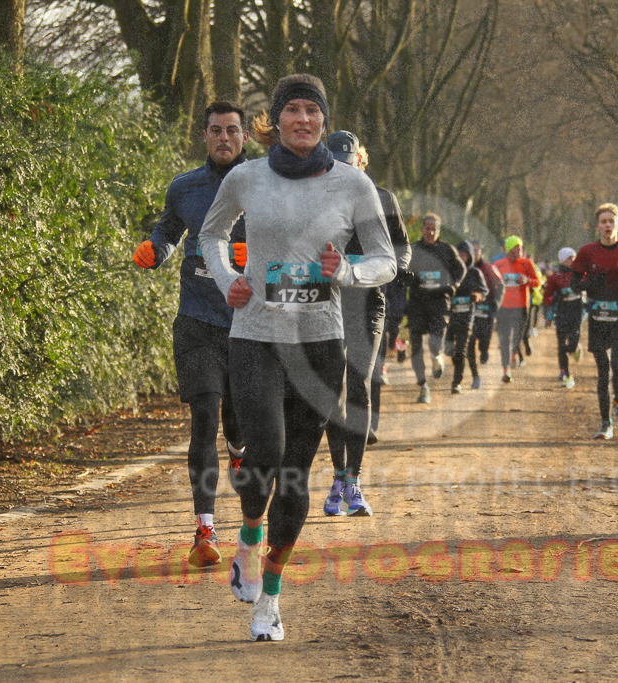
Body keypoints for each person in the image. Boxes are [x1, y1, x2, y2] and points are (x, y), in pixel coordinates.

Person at [199, 74, 395, 641]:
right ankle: (248, 538)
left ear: (324, 121)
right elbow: (211, 236)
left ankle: (271, 600)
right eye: (293, 111)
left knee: (296, 475)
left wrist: (349, 271)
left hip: (319, 341)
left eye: (313, 110)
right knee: (266, 450)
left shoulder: (353, 184)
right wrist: (229, 278)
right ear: (276, 120)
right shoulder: (246, 177)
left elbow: (385, 258)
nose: (303, 120)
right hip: (256, 333)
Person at [132, 101, 249, 569]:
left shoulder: (264, 185)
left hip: (249, 325)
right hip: (197, 321)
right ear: (205, 136)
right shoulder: (185, 187)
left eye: (233, 131)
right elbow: (168, 231)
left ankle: (240, 453)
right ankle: (204, 529)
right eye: (216, 131)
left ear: (245, 137)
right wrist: (155, 250)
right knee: (204, 417)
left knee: (238, 425)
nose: (225, 138)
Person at [321, 131, 411, 517]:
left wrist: (394, 269)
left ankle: (354, 482)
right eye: (337, 161)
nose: (346, 167)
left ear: (362, 160)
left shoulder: (383, 198)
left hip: (367, 303)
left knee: (359, 382)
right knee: (331, 389)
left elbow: (402, 246)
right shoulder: (314, 198)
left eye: (351, 160)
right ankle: (338, 475)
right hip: (325, 302)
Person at [571, 203, 618, 440]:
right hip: (597, 317)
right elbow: (575, 283)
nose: (607, 225)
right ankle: (605, 423)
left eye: (611, 221)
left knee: (617, 364)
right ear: (597, 226)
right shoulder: (587, 252)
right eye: (603, 222)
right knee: (603, 371)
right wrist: (589, 284)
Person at [405, 213, 466, 403]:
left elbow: (461, 269)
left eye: (434, 228)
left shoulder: (447, 250)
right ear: (422, 229)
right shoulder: (413, 249)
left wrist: (454, 285)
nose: (430, 232)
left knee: (435, 339)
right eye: (427, 228)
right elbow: (401, 269)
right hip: (417, 302)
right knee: (415, 348)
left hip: (439, 301)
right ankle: (423, 386)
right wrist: (407, 280)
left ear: (439, 231)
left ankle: (437, 356)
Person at [443, 241, 488, 394]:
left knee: (462, 351)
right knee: (449, 351)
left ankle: (457, 382)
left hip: (467, 318)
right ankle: (468, 375)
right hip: (449, 317)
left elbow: (483, 291)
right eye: (459, 254)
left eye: (465, 254)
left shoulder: (474, 273)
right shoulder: (449, 271)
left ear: (470, 256)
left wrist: (478, 296)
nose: (462, 257)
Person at [494, 235, 540, 383]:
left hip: (522, 306)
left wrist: (527, 280)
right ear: (508, 249)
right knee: (505, 339)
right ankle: (506, 370)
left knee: (517, 338)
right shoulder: (499, 264)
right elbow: (492, 283)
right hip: (504, 306)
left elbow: (537, 282)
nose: (518, 251)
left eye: (520, 248)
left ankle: (515, 353)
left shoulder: (527, 263)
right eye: (515, 248)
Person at [542, 247, 585, 389]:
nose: (572, 261)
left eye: (574, 258)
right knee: (561, 344)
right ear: (562, 260)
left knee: (572, 342)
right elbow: (547, 296)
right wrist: (550, 300)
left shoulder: (580, 274)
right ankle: (565, 372)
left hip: (577, 310)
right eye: (569, 258)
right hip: (562, 312)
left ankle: (574, 348)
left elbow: (590, 286)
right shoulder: (555, 277)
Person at [466, 240, 503, 389]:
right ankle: (475, 376)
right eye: (471, 250)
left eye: (477, 250)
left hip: (487, 311)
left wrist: (496, 303)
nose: (474, 253)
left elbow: (500, 286)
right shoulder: (464, 268)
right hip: (469, 312)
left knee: (484, 339)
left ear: (481, 252)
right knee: (470, 343)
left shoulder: (489, 268)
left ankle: (485, 350)